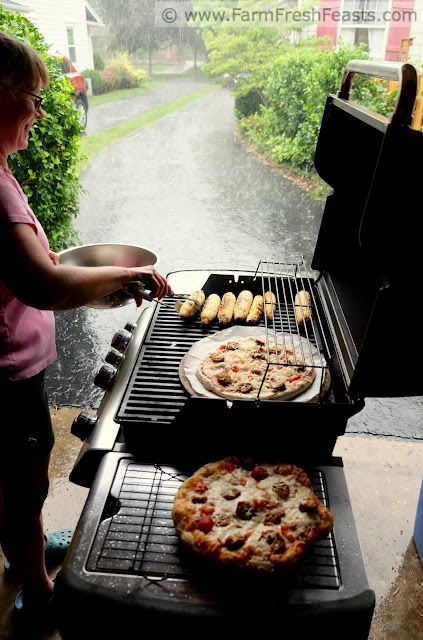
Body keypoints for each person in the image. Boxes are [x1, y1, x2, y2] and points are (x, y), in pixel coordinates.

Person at [0, 31, 173, 618]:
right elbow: (43, 284)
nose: (40, 111)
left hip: (11, 367)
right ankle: (38, 592)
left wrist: (100, 279)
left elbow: (33, 267)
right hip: (6, 376)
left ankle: (17, 550)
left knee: (17, 478)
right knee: (22, 486)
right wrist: (126, 272)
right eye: (31, 96)